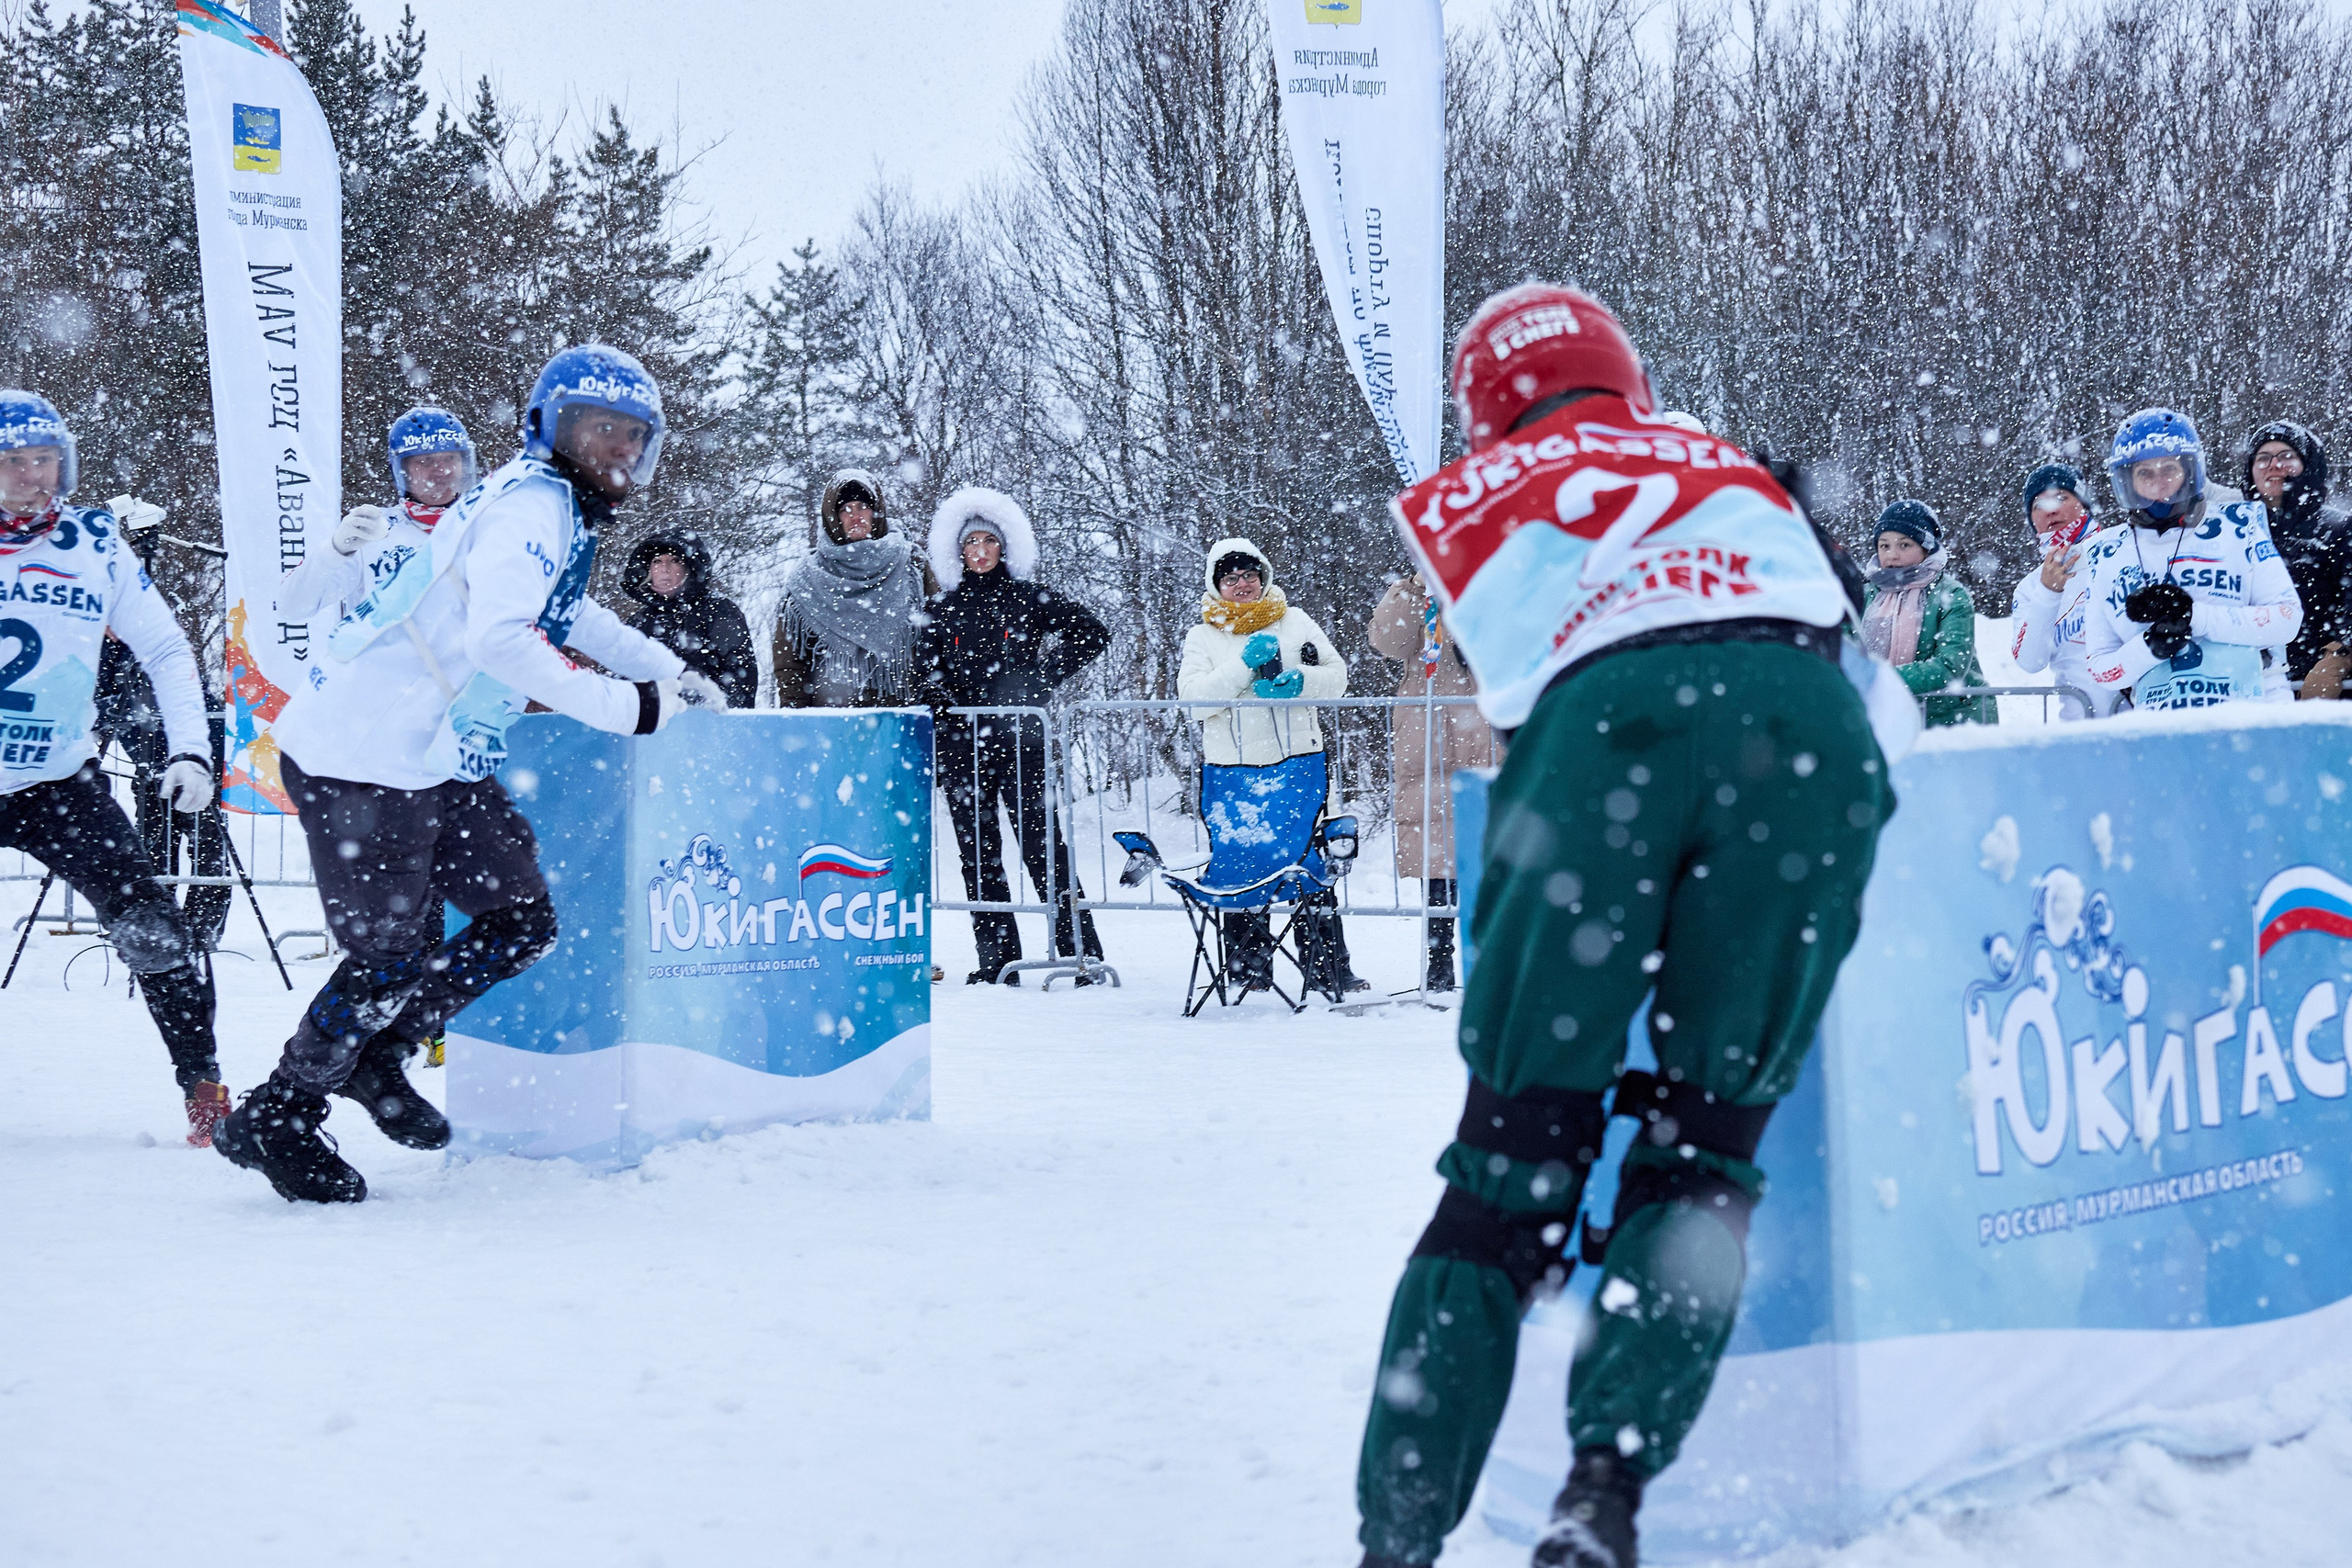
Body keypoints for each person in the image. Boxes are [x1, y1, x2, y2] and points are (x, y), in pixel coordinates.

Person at [1353, 284, 1890, 1568]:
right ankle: (1606, 1487)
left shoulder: (1473, 490)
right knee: (1705, 1148)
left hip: (1604, 732)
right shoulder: (1728, 463)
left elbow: (1508, 691)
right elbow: (1852, 638)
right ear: (1627, 375)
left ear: (1484, 409)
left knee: (1505, 1167)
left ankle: (1398, 1539)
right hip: (1808, 731)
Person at [220, 347, 729, 1203]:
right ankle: (278, 1114)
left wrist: (671, 669)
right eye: (599, 429)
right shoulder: (534, 505)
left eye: (632, 436)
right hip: (359, 759)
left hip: (430, 755)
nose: (617, 449)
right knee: (388, 957)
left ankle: (381, 1053)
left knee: (520, 920)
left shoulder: (547, 503)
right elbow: (502, 638)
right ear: (552, 427)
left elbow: (570, 613)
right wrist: (631, 707)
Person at [0, 390, 230, 1145]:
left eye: (44, 460)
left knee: (153, 930)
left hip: (56, 784)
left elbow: (163, 647)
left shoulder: (94, 541)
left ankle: (203, 1086)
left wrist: (191, 748)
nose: (31, 476)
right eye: (13, 462)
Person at [915, 486, 1110, 984]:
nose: (979, 551)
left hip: (1022, 742)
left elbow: (1092, 632)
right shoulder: (940, 607)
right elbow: (923, 672)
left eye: (988, 541)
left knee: (1045, 849)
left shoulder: (1027, 597)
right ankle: (998, 964)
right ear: (958, 550)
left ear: (1004, 547)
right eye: (971, 542)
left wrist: (1040, 679)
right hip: (961, 749)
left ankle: (1081, 955)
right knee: (978, 855)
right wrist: (945, 705)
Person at [1175, 537, 1363, 999]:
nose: (1242, 585)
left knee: (1308, 864)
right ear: (1216, 584)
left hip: (1299, 767)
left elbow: (1337, 677)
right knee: (1241, 866)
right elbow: (1194, 702)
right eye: (1231, 578)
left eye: (1249, 575)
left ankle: (1328, 969)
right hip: (1233, 772)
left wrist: (1303, 682)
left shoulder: (1295, 620)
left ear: (1264, 577)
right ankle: (1249, 969)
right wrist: (1244, 665)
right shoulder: (1202, 635)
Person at [2082, 408, 2301, 710]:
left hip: (2256, 710)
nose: (2159, 484)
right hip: (2163, 725)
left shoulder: (2239, 527)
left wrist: (2195, 618)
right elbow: (2100, 668)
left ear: (2189, 471)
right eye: (2145, 473)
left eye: (2169, 469)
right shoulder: (2106, 552)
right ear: (2127, 481)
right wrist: (2149, 647)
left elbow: (2286, 620)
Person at [1367, 571, 1496, 991]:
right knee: (1435, 854)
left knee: (1492, 852)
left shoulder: (1499, 578)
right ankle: (1439, 962)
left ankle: (1490, 962)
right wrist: (1413, 587)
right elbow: (1388, 641)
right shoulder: (1420, 592)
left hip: (1488, 730)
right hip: (1428, 736)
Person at [773, 469, 937, 707]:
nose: (855, 516)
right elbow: (790, 662)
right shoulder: (807, 577)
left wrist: (932, 696)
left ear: (876, 512)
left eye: (862, 506)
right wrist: (795, 714)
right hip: (833, 717)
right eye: (845, 509)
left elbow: (937, 637)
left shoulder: (911, 563)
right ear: (833, 517)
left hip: (899, 713)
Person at [2239, 422, 2351, 698]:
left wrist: (2340, 656)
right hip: (2246, 684)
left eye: (2287, 456)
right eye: (2263, 458)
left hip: (2318, 686)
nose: (2274, 465)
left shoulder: (2339, 529)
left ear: (2308, 466)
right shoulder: (2233, 531)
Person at [1860, 500, 1995, 727]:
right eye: (1884, 546)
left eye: (1904, 545)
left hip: (1954, 724)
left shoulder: (1951, 595)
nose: (1892, 555)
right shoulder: (1863, 596)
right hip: (1885, 722)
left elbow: (1950, 666)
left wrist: (1881, 678)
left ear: (1925, 548)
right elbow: (1843, 653)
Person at [2007, 464, 2116, 718]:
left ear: (2083, 503)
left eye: (2061, 498)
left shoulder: (2121, 548)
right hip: (2079, 729)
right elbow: (2030, 661)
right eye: (2038, 505)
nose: (2051, 510)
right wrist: (2048, 592)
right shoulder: (2030, 587)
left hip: (2143, 722)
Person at [621, 527, 758, 709]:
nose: (664, 569)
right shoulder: (638, 622)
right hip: (651, 722)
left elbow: (740, 678)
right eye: (657, 561)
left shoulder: (718, 610)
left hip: (706, 720)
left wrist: (723, 718)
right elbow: (621, 680)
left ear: (689, 567)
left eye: (674, 561)